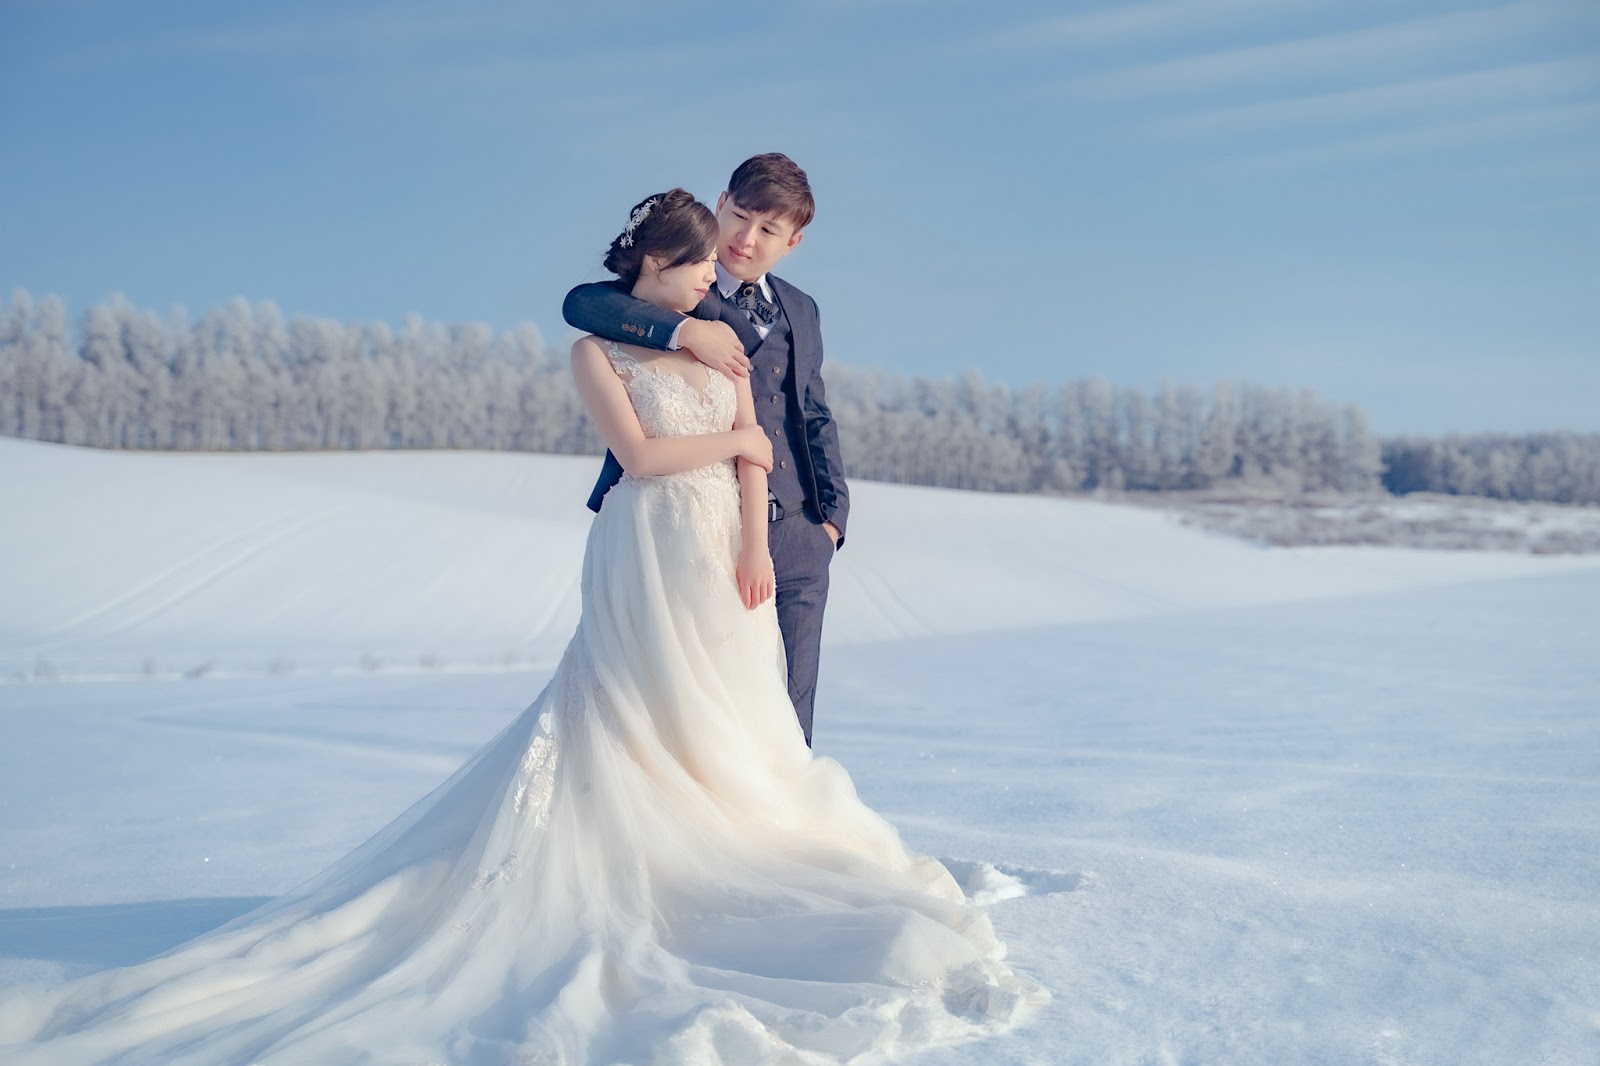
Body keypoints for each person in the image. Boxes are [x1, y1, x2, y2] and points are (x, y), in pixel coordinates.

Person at [0, 191, 1043, 1066]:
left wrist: (769, 538)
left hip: (733, 537)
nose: (713, 275)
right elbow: (645, 450)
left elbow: (771, 441)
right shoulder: (615, 338)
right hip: (646, 540)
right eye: (694, 265)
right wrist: (718, 401)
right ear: (663, 263)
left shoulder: (750, 327)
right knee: (631, 701)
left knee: (735, 706)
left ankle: (739, 828)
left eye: (746, 243)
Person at [563, 153, 843, 747]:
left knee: (790, 710)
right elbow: (583, 304)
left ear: (793, 241)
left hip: (796, 530)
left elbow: (812, 412)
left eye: (769, 229)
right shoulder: (677, 286)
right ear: (720, 206)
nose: (745, 238)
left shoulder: (801, 309)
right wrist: (684, 329)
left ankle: (786, 838)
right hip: (693, 531)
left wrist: (832, 519)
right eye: (739, 216)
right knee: (696, 705)